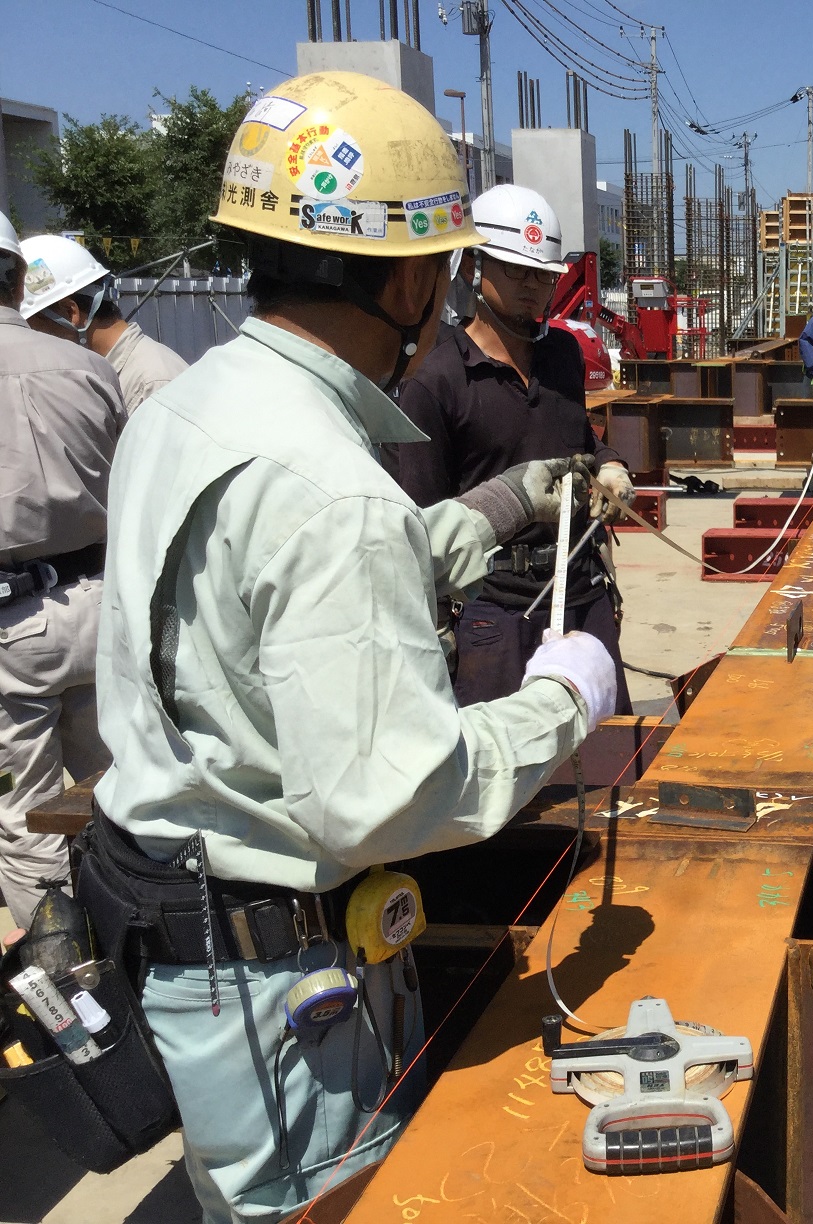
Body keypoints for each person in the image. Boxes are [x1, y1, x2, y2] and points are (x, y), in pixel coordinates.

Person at [80, 72, 617, 1223]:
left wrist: (494, 511)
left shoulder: (190, 406)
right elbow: (388, 795)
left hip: (177, 934)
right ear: (416, 275)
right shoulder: (331, 489)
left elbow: (249, 612)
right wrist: (565, 700)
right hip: (280, 986)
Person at [386, 183, 635, 713]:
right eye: (517, 271)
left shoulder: (564, 356)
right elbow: (422, 524)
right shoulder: (436, 377)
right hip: (491, 611)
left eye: (543, 275)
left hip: (579, 588)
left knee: (611, 759)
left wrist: (608, 463)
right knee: (501, 780)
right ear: (473, 267)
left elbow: (575, 438)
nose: (533, 287)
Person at [0, 214, 125, 931]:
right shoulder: (89, 367)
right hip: (100, 604)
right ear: (19, 280)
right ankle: (128, 953)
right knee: (109, 793)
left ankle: (73, 995)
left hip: (13, 627)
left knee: (27, 819)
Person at [19, 234, 187, 412]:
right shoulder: (101, 373)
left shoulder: (153, 383)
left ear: (70, 312)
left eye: (33, 329)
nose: (32, 342)